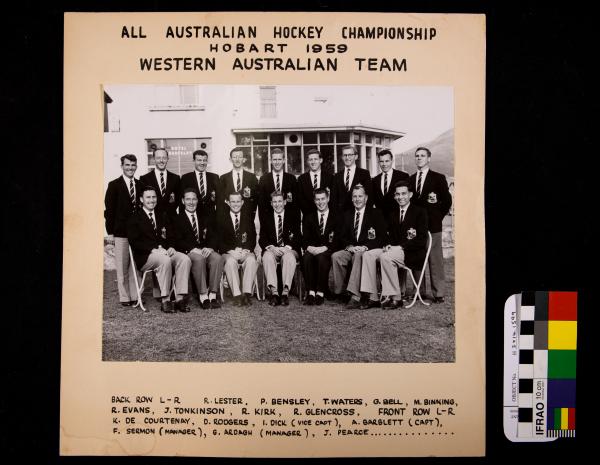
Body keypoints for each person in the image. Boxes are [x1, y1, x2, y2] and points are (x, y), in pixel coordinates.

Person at [361, 181, 428, 309]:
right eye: (398, 194)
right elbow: (389, 236)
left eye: (404, 193)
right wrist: (387, 244)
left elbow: (422, 239)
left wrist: (401, 247)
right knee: (368, 255)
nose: (401, 197)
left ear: (410, 194)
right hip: (395, 250)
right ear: (394, 196)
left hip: (412, 252)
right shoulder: (393, 214)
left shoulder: (420, 212)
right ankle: (373, 297)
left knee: (385, 257)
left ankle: (396, 298)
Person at [127, 186, 192, 313]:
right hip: (146, 256)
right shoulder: (134, 218)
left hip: (164, 252)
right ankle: (165, 300)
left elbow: (171, 235)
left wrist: (172, 246)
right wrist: (153, 250)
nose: (151, 200)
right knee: (164, 260)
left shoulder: (162, 215)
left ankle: (179, 298)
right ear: (141, 199)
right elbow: (135, 242)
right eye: (148, 197)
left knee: (184, 259)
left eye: (154, 197)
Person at [331, 184, 387, 309]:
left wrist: (366, 247)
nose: (357, 199)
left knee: (358, 256)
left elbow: (382, 237)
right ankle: (341, 293)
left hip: (368, 250)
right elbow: (340, 237)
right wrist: (349, 246)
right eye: (354, 196)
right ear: (351, 199)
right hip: (352, 249)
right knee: (336, 256)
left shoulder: (375, 213)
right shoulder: (346, 215)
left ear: (366, 198)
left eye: (360, 196)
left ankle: (355, 295)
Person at [409, 147, 452, 303]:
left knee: (435, 259)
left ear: (429, 159)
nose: (419, 158)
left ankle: (438, 292)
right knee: (417, 257)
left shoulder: (438, 178)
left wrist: (437, 217)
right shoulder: (411, 179)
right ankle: (418, 290)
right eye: (417, 156)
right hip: (416, 228)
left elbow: (447, 201)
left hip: (433, 226)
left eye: (422, 156)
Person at [173, 188, 223, 310]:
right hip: (189, 252)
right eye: (188, 199)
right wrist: (192, 249)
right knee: (199, 259)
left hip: (204, 250)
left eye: (194, 199)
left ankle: (212, 294)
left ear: (197, 200)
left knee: (217, 258)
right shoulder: (177, 219)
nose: (191, 202)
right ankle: (203, 295)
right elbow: (177, 240)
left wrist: (210, 247)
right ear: (183, 201)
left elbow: (214, 235)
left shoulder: (204, 217)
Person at [104, 154, 143, 307]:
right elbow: (109, 211)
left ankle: (135, 295)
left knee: (136, 265)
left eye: (133, 165)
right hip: (120, 233)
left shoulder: (141, 185)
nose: (130, 168)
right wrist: (111, 233)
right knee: (122, 266)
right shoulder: (114, 185)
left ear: (136, 166)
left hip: (138, 233)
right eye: (127, 165)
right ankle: (125, 297)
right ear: (122, 166)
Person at [259, 191, 301, 306]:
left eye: (280, 201)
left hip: (289, 249)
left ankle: (285, 293)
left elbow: (298, 236)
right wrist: (271, 247)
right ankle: (274, 292)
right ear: (271, 203)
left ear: (285, 202)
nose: (277, 204)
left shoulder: (293, 215)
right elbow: (262, 238)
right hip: (273, 249)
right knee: (267, 256)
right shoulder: (266, 216)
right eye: (274, 202)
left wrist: (287, 247)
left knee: (288, 257)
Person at [217, 191, 258, 306]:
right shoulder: (221, 219)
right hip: (228, 252)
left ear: (242, 202)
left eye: (238, 201)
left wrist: (246, 249)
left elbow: (252, 238)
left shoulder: (248, 218)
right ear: (228, 203)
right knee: (230, 262)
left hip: (245, 251)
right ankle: (237, 294)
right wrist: (231, 251)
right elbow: (219, 241)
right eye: (233, 201)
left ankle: (246, 294)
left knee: (251, 260)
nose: (236, 204)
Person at [301, 187, 339, 305]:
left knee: (322, 257)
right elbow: (305, 239)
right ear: (314, 201)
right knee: (306, 257)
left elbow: (338, 238)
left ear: (328, 199)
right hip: (313, 248)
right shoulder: (309, 217)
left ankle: (321, 292)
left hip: (329, 249)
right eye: (317, 199)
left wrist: (325, 247)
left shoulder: (336, 216)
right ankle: (311, 292)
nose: (320, 202)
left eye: (323, 199)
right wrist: (310, 248)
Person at [139, 148, 181, 219]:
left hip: (172, 220)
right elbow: (143, 201)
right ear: (154, 159)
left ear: (167, 159)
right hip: (153, 219)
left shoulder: (176, 178)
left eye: (164, 158)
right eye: (158, 158)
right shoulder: (144, 179)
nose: (161, 161)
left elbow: (178, 199)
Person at [257, 148, 298, 218]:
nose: (277, 162)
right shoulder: (263, 179)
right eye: (274, 160)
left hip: (287, 219)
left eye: (279, 159)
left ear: (284, 161)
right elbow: (261, 205)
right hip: (269, 220)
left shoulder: (291, 179)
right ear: (271, 161)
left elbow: (295, 204)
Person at [180, 149, 221, 219]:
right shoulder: (185, 178)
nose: (202, 163)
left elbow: (219, 201)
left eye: (204, 160)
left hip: (211, 219)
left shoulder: (215, 177)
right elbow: (181, 201)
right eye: (199, 160)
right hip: (193, 218)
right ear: (194, 161)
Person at [331, 145, 372, 213]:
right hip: (341, 216)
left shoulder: (364, 174)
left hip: (359, 214)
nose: (347, 158)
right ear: (342, 157)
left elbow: (369, 197)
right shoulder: (337, 176)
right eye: (345, 155)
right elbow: (334, 199)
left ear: (356, 156)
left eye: (350, 155)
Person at [219, 147, 259, 219]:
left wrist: (251, 215)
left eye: (240, 157)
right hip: (229, 219)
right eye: (234, 157)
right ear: (230, 160)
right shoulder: (223, 178)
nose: (237, 159)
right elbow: (221, 200)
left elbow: (255, 199)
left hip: (247, 218)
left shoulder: (252, 177)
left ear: (243, 159)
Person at [371, 149, 409, 219]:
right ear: (378, 162)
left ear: (392, 161)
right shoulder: (374, 180)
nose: (384, 164)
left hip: (398, 218)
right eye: (381, 161)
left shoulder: (403, 176)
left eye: (387, 161)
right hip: (381, 219)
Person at [297, 148, 333, 216]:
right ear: (307, 161)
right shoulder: (301, 179)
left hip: (327, 217)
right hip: (308, 218)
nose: (313, 162)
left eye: (315, 159)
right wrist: (312, 215)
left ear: (320, 160)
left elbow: (332, 198)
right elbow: (300, 200)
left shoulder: (330, 177)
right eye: (311, 159)